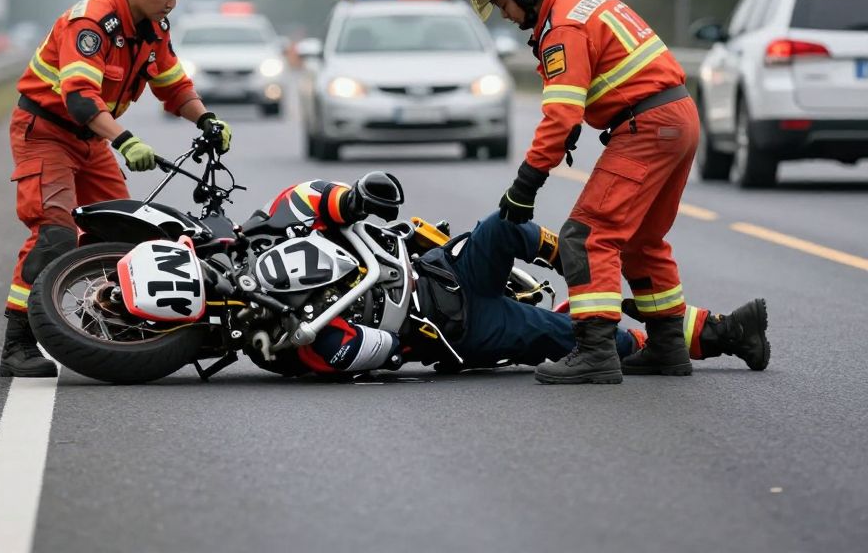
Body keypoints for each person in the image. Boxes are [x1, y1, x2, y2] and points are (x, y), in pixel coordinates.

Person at [466, 0, 704, 384]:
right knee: (641, 241)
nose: (505, 13)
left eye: (503, 2)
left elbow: (559, 116)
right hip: (676, 118)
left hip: (647, 127)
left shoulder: (563, 28)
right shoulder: (583, 3)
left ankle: (595, 350)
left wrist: (525, 186)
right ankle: (669, 346)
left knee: (587, 235)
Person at [247, 175, 769, 378]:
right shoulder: (301, 345)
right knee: (578, 334)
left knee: (503, 224)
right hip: (463, 327)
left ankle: (581, 269)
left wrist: (355, 200)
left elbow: (311, 195)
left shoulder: (274, 227)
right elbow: (375, 348)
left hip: (444, 265)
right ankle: (721, 335)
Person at [0, 0, 233, 377]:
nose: (172, 4)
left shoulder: (153, 29)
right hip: (47, 133)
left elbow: (175, 87)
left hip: (91, 141)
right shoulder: (91, 23)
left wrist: (207, 120)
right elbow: (81, 100)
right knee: (55, 235)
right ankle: (18, 344)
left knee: (127, 232)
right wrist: (126, 140)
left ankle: (100, 320)